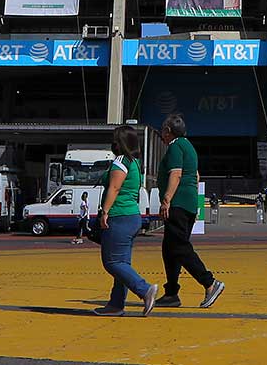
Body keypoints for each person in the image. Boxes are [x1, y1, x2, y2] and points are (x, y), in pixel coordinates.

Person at [156, 114, 225, 308]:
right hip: (188, 204)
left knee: (179, 246)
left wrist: (167, 199)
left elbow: (176, 174)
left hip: (178, 204)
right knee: (169, 249)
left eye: (163, 131)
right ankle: (171, 293)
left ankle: (209, 282)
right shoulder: (189, 147)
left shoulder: (176, 146)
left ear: (168, 131)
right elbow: (195, 175)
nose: (162, 135)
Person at [94, 126, 157, 317]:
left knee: (112, 261)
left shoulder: (121, 161)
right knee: (122, 263)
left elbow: (114, 187)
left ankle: (144, 289)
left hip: (119, 216)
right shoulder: (135, 163)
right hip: (131, 217)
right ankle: (116, 304)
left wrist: (104, 212)